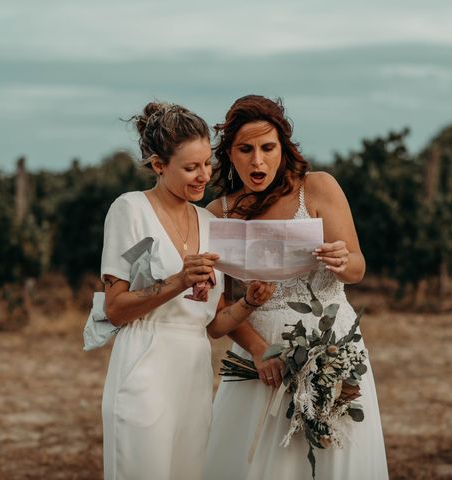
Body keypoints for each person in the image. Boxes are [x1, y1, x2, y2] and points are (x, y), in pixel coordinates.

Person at [203, 95, 388, 479]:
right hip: (258, 357)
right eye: (246, 149)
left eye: (268, 148)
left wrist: (342, 260)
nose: (258, 161)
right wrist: (257, 350)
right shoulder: (217, 214)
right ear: (230, 154)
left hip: (332, 343)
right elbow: (215, 306)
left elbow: (357, 268)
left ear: (283, 148)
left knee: (329, 459)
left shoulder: (318, 188)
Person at [100, 102, 275, 480]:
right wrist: (178, 281)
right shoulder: (131, 211)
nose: (203, 176)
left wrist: (248, 302)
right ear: (159, 165)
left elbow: (212, 325)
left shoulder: (210, 222)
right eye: (190, 168)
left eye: (207, 165)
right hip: (144, 365)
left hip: (195, 371)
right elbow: (116, 309)